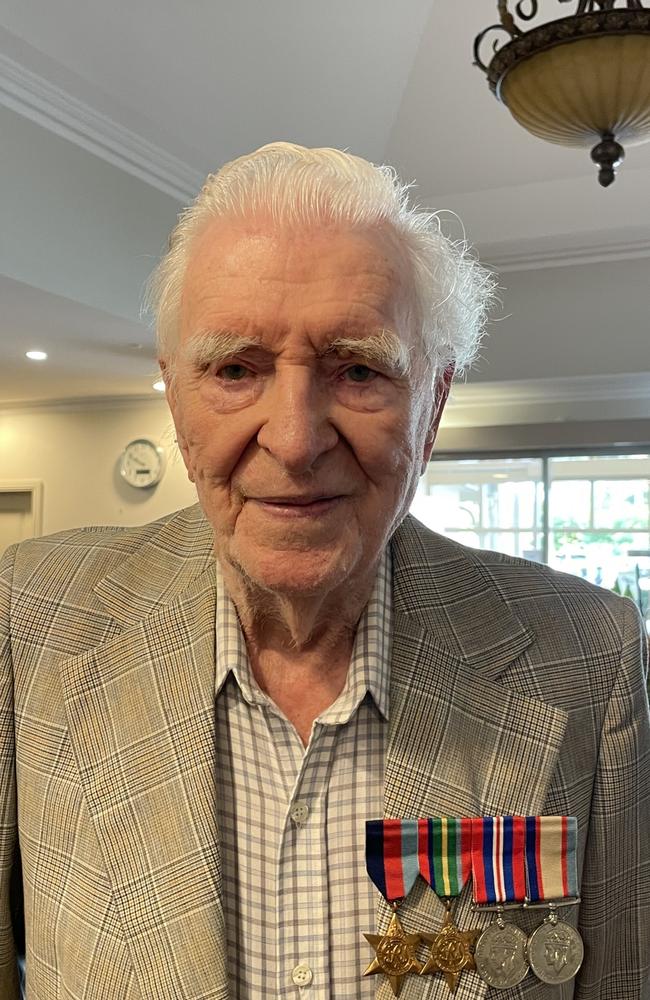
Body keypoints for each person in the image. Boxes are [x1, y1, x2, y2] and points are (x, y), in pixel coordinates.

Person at [0, 142, 647, 1000]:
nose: (296, 439)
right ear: (176, 396)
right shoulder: (30, 617)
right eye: (236, 369)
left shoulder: (585, 655)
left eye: (358, 370)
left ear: (434, 404)